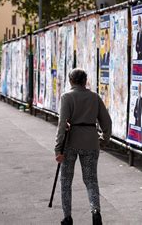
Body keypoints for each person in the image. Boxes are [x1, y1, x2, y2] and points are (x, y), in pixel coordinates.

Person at [55, 68, 112, 225]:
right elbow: (106, 122)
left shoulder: (66, 97)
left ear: (71, 81)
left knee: (66, 181)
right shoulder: (94, 97)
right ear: (85, 81)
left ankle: (67, 217)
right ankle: (95, 213)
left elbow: (61, 125)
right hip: (91, 142)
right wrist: (103, 139)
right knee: (91, 180)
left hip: (70, 143)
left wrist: (58, 148)